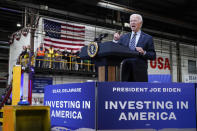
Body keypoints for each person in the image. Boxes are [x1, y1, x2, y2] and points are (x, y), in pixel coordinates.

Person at [113, 14, 156, 82]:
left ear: (140, 23)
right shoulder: (124, 37)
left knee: (140, 92)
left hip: (140, 73)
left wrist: (143, 52)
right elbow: (116, 49)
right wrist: (115, 40)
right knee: (126, 92)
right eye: (131, 21)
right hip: (126, 71)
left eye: (135, 21)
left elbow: (153, 55)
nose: (132, 22)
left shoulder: (148, 38)